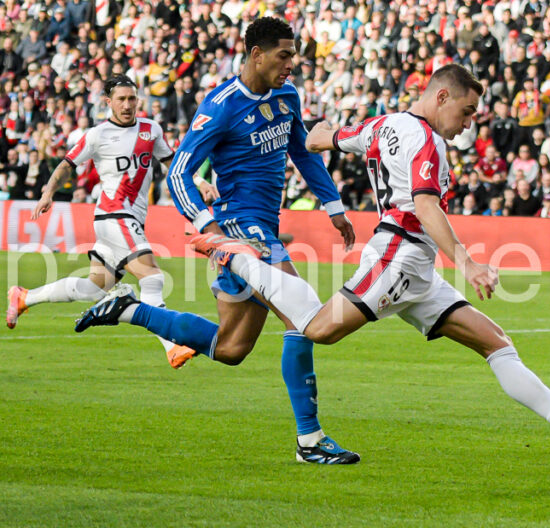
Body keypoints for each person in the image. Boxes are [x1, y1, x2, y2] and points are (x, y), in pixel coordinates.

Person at [76, 64, 550, 455]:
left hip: (418, 270)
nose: (470, 123)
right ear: (442, 96)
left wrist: (319, 155)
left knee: (496, 342)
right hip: (399, 257)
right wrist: (470, 263)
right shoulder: (427, 142)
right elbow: (426, 204)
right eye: (467, 110)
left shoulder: (387, 125)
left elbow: (321, 137)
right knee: (314, 328)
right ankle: (234, 257)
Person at [75, 18, 359, 465]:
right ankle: (310, 440)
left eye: (294, 54)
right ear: (256, 55)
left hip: (260, 225)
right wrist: (209, 227)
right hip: (241, 229)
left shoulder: (287, 96)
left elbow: (302, 151)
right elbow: (179, 170)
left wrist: (333, 204)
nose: (292, 64)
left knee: (230, 349)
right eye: (284, 55)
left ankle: (127, 308)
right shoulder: (221, 105)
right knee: (303, 315)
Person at [7, 76, 207, 369]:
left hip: (127, 219)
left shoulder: (151, 130)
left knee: (93, 289)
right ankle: (171, 344)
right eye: (121, 99)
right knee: (152, 278)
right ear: (108, 102)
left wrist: (199, 181)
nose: (127, 105)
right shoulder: (97, 135)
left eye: (132, 99)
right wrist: (48, 192)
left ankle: (24, 297)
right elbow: (67, 165)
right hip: (114, 215)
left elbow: (172, 163)